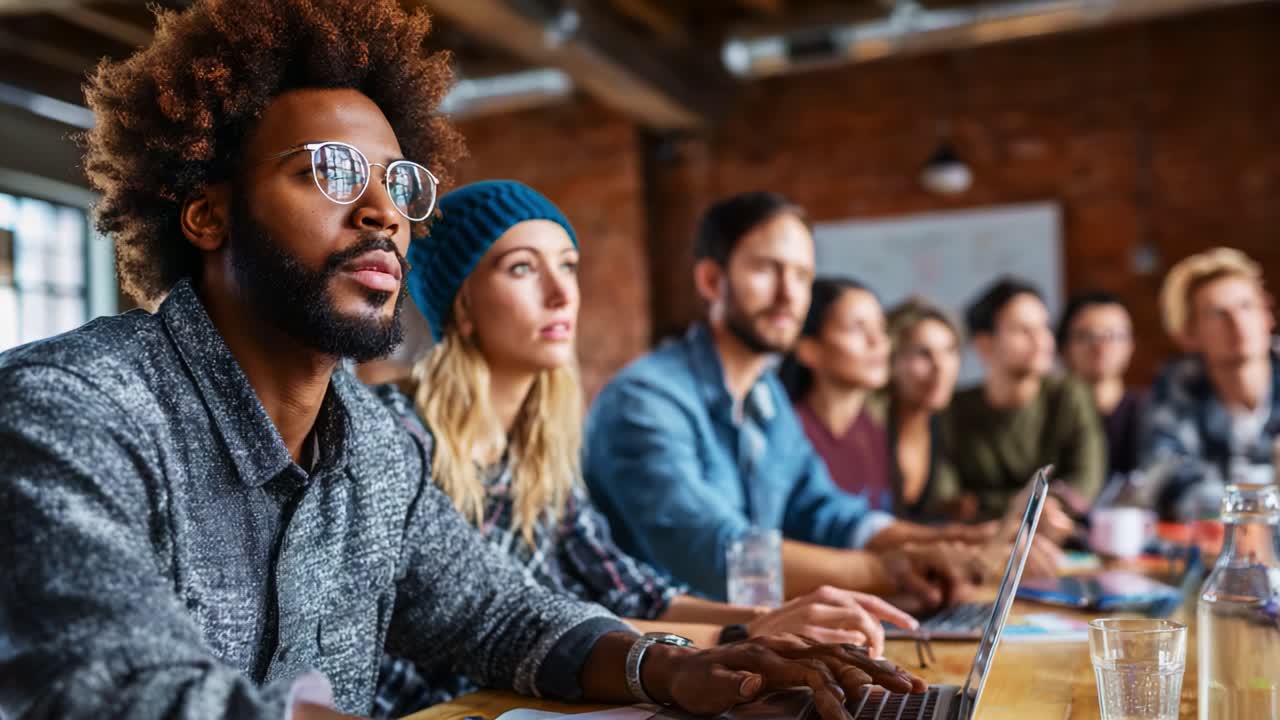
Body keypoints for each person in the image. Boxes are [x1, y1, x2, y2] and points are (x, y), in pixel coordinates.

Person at [0, 3, 924, 719]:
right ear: (207, 214)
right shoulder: (73, 411)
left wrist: (675, 667)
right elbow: (116, 687)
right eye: (327, 171)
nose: (382, 213)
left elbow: (498, 613)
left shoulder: (374, 446)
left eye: (400, 184)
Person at [373, 182, 923, 716]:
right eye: (522, 268)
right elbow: (511, 621)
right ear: (461, 302)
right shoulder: (403, 437)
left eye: (568, 265)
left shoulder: (537, 448)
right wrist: (743, 632)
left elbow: (629, 590)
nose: (562, 294)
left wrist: (761, 623)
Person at [584, 191, 995, 615]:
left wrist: (954, 542)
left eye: (802, 276)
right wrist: (885, 571)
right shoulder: (644, 400)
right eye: (766, 269)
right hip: (664, 645)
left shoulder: (766, 394)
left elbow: (821, 510)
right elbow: (712, 551)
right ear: (710, 280)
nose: (788, 294)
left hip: (753, 636)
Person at [942, 277, 1106, 521]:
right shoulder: (954, 409)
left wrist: (987, 503)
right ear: (984, 344)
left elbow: (1085, 483)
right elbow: (950, 501)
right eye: (1022, 330)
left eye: (1044, 327)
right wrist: (1030, 506)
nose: (1041, 340)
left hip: (1056, 533)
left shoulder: (1069, 395)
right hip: (980, 538)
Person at [1144, 247, 1280, 519]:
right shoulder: (1177, 386)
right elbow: (1172, 485)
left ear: (1267, 315)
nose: (1237, 322)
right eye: (1217, 313)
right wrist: (1269, 499)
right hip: (1216, 542)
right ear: (1189, 333)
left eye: (1246, 306)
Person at [779, 277, 894, 508]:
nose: (877, 341)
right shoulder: (785, 432)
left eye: (881, 328)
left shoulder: (873, 431)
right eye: (856, 328)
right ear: (808, 349)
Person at [881, 298, 965, 520]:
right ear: (890, 359)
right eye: (923, 353)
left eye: (950, 351)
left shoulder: (946, 424)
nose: (941, 366)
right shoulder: (869, 425)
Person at [1057, 291, 1146, 481]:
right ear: (1064, 347)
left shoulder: (1152, 411)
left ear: (1131, 345)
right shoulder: (1052, 415)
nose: (1100, 346)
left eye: (1114, 335)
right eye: (1087, 336)